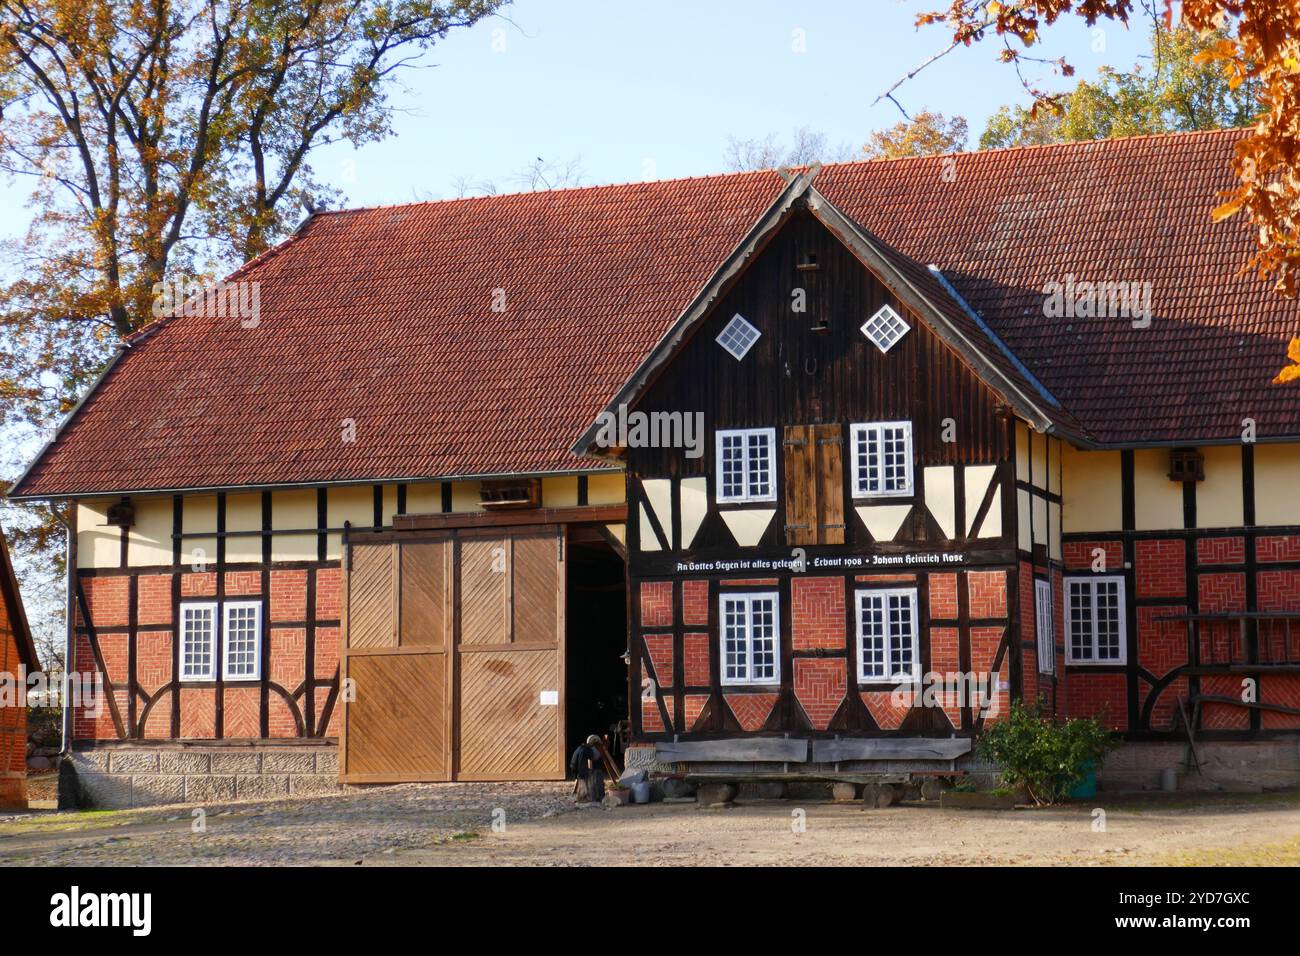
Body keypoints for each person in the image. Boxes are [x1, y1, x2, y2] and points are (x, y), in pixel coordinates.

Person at [569, 734, 606, 803]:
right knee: (590, 779)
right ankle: (587, 797)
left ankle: (583, 796)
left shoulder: (580, 748)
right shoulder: (588, 750)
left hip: (574, 767)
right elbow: (596, 757)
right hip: (581, 771)